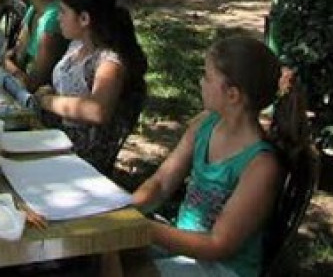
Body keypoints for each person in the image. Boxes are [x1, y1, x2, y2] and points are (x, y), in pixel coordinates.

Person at [102, 36, 309, 277]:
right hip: (183, 248)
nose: (201, 82)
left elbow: (218, 244)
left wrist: (141, 228)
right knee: (102, 251)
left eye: (208, 77)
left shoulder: (261, 165)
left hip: (223, 267)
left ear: (232, 95)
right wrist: (123, 212)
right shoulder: (204, 125)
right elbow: (160, 184)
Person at [33, 0, 147, 174]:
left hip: (80, 155)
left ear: (84, 19)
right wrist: (52, 93)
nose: (59, 17)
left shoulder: (108, 62)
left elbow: (97, 111)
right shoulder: (76, 46)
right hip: (57, 133)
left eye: (63, 12)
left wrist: (48, 101)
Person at [3, 0, 69, 92]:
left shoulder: (52, 19)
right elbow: (17, 56)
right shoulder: (33, 9)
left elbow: (35, 83)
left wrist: (5, 62)